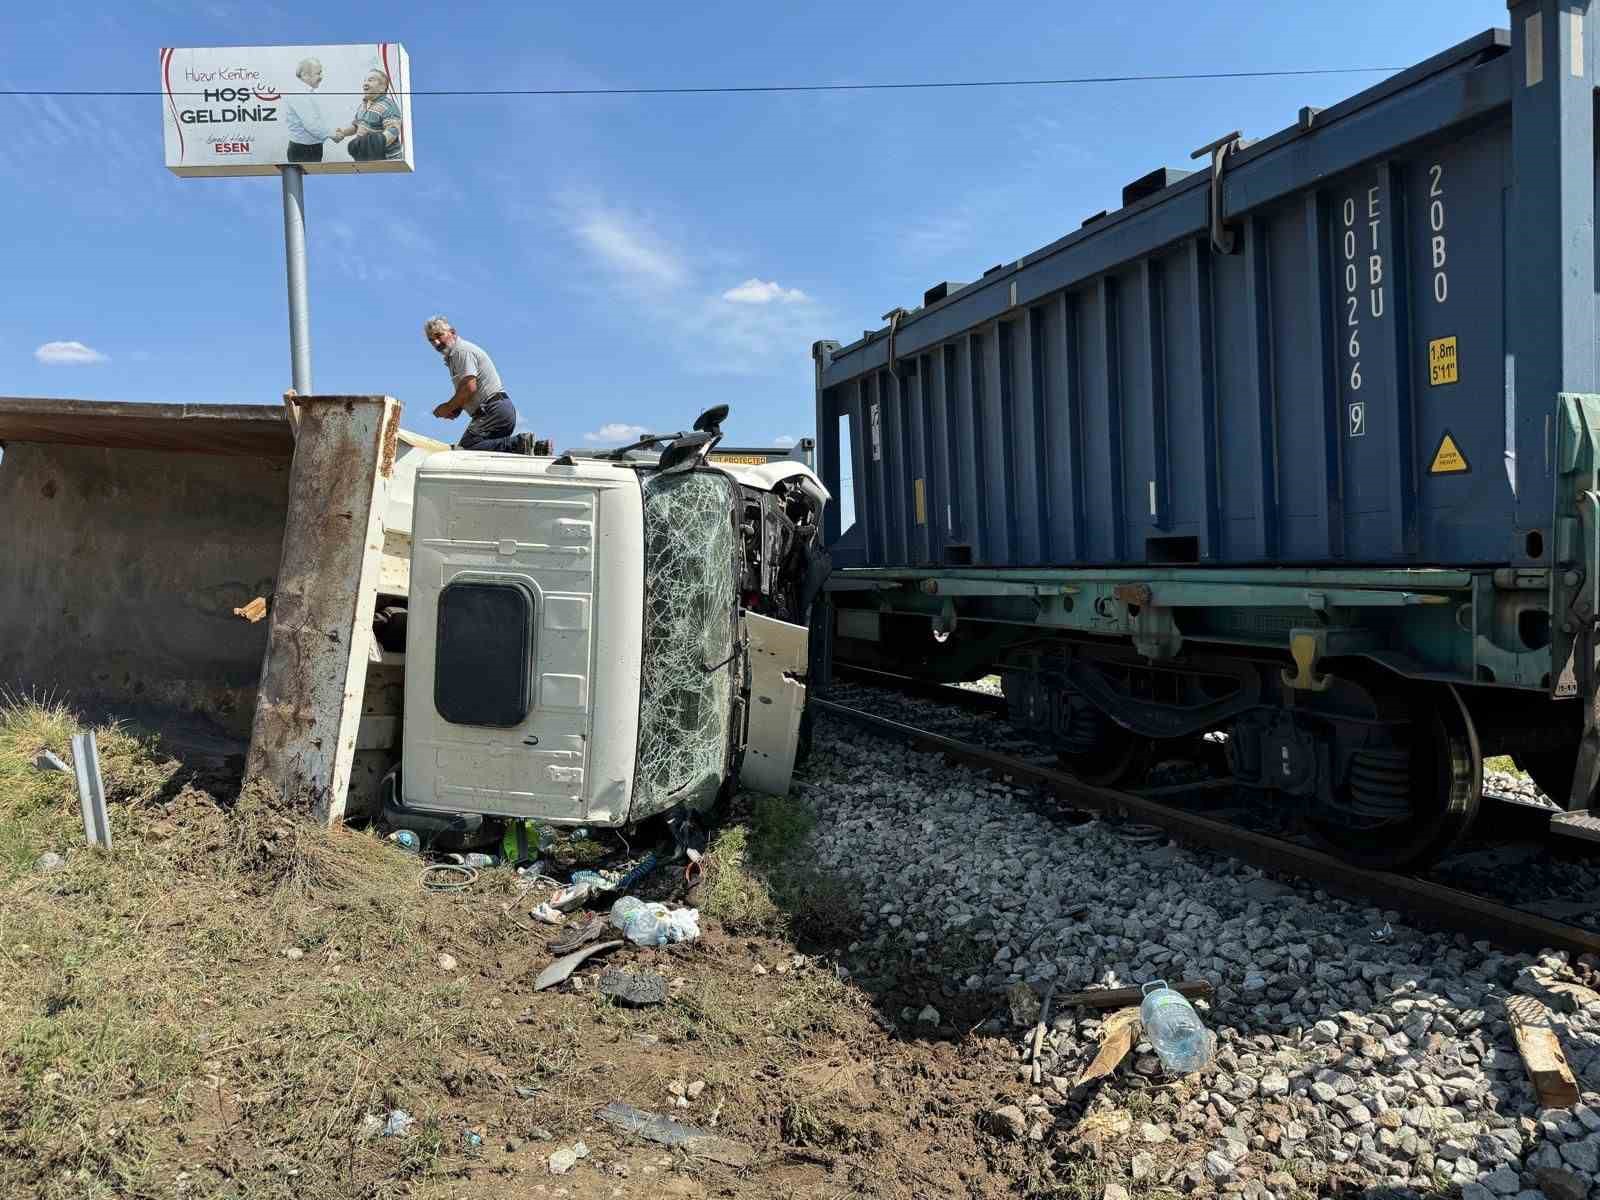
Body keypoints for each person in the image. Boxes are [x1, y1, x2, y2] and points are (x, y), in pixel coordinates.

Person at [424, 316, 533, 454]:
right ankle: (537, 447)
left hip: (493, 410)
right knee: (486, 457)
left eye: (439, 336)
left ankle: (520, 443)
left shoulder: (461, 351)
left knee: (466, 450)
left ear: (452, 332)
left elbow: (469, 387)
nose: (436, 343)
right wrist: (455, 409)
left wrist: (448, 407)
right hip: (497, 410)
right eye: (431, 340)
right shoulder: (453, 357)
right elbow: (468, 390)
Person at [335, 68, 405, 163]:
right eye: (365, 80)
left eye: (371, 80)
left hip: (385, 158)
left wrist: (375, 145)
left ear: (382, 87)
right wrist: (343, 132)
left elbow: (393, 129)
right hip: (365, 155)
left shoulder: (387, 106)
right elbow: (356, 125)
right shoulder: (362, 105)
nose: (365, 83)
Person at [283, 58, 342, 163]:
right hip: (303, 150)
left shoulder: (308, 92)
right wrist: (332, 134)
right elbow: (312, 124)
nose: (321, 77)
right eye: (318, 73)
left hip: (310, 148)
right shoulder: (299, 94)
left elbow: (317, 119)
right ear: (305, 75)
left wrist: (331, 131)